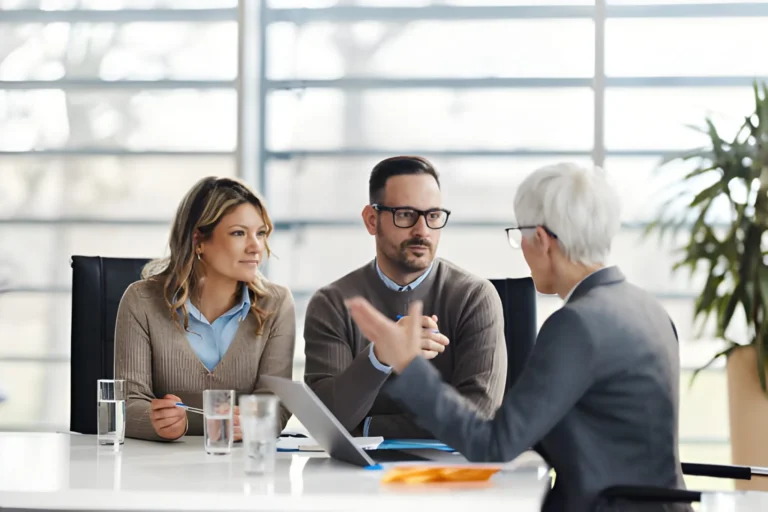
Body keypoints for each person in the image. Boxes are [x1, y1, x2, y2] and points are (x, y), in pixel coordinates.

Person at [345, 162, 690, 512]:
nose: (521, 248)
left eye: (520, 235)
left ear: (541, 239)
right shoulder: (647, 308)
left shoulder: (577, 325)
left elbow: (494, 446)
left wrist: (408, 363)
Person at [303, 156, 507, 439]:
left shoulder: (475, 297)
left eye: (433, 216)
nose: (422, 231)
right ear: (372, 220)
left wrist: (366, 427)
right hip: (351, 477)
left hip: (454, 475)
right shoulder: (333, 303)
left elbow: (477, 416)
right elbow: (326, 420)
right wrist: (380, 355)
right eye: (406, 214)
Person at [114, 177, 295, 442]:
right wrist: (156, 422)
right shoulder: (141, 301)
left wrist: (254, 422)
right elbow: (127, 404)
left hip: (242, 470)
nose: (256, 246)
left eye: (261, 233)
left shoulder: (276, 304)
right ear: (198, 239)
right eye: (238, 233)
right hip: (159, 469)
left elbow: (276, 405)